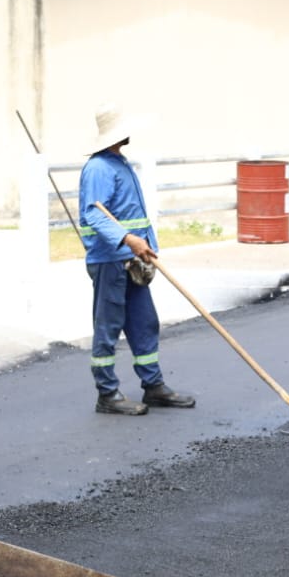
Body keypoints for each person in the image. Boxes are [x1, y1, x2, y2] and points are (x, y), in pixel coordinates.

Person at [77, 104, 194, 417]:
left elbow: (130, 214)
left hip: (133, 260)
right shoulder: (99, 168)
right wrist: (128, 240)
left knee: (144, 323)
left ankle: (153, 385)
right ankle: (107, 393)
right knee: (109, 327)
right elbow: (92, 213)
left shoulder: (119, 163)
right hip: (110, 260)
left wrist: (146, 247)